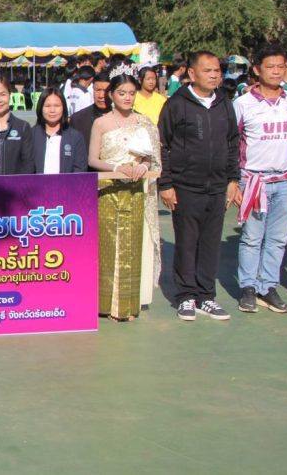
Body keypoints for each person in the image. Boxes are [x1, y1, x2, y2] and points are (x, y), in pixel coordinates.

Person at [158, 51, 240, 321]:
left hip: (216, 187)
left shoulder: (224, 103)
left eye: (217, 70)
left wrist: (233, 179)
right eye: (208, 71)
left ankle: (206, 296)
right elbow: (163, 145)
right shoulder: (176, 104)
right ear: (192, 73)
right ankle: (186, 296)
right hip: (185, 186)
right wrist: (166, 183)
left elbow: (233, 142)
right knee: (186, 242)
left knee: (210, 243)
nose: (214, 75)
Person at [234, 45, 287, 314]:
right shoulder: (242, 104)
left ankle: (268, 286)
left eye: (280, 66)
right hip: (254, 181)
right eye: (270, 67)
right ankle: (248, 287)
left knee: (278, 238)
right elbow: (231, 145)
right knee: (252, 237)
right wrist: (233, 182)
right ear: (257, 70)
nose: (276, 71)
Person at [88, 66, 162, 319]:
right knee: (108, 245)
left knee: (132, 246)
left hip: (135, 191)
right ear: (111, 95)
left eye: (131, 93)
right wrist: (116, 168)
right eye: (122, 93)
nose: (127, 98)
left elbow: (151, 158)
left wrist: (143, 166)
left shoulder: (143, 122)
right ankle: (106, 304)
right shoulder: (101, 123)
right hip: (108, 190)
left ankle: (129, 305)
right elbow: (92, 159)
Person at [31, 87, 87, 174]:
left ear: (63, 107)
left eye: (57, 106)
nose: (52, 110)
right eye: (47, 106)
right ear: (41, 108)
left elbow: (80, 170)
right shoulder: (31, 135)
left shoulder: (75, 137)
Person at [70, 71, 111, 147]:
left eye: (106, 91)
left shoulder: (125, 118)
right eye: (98, 90)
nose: (101, 95)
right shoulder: (78, 119)